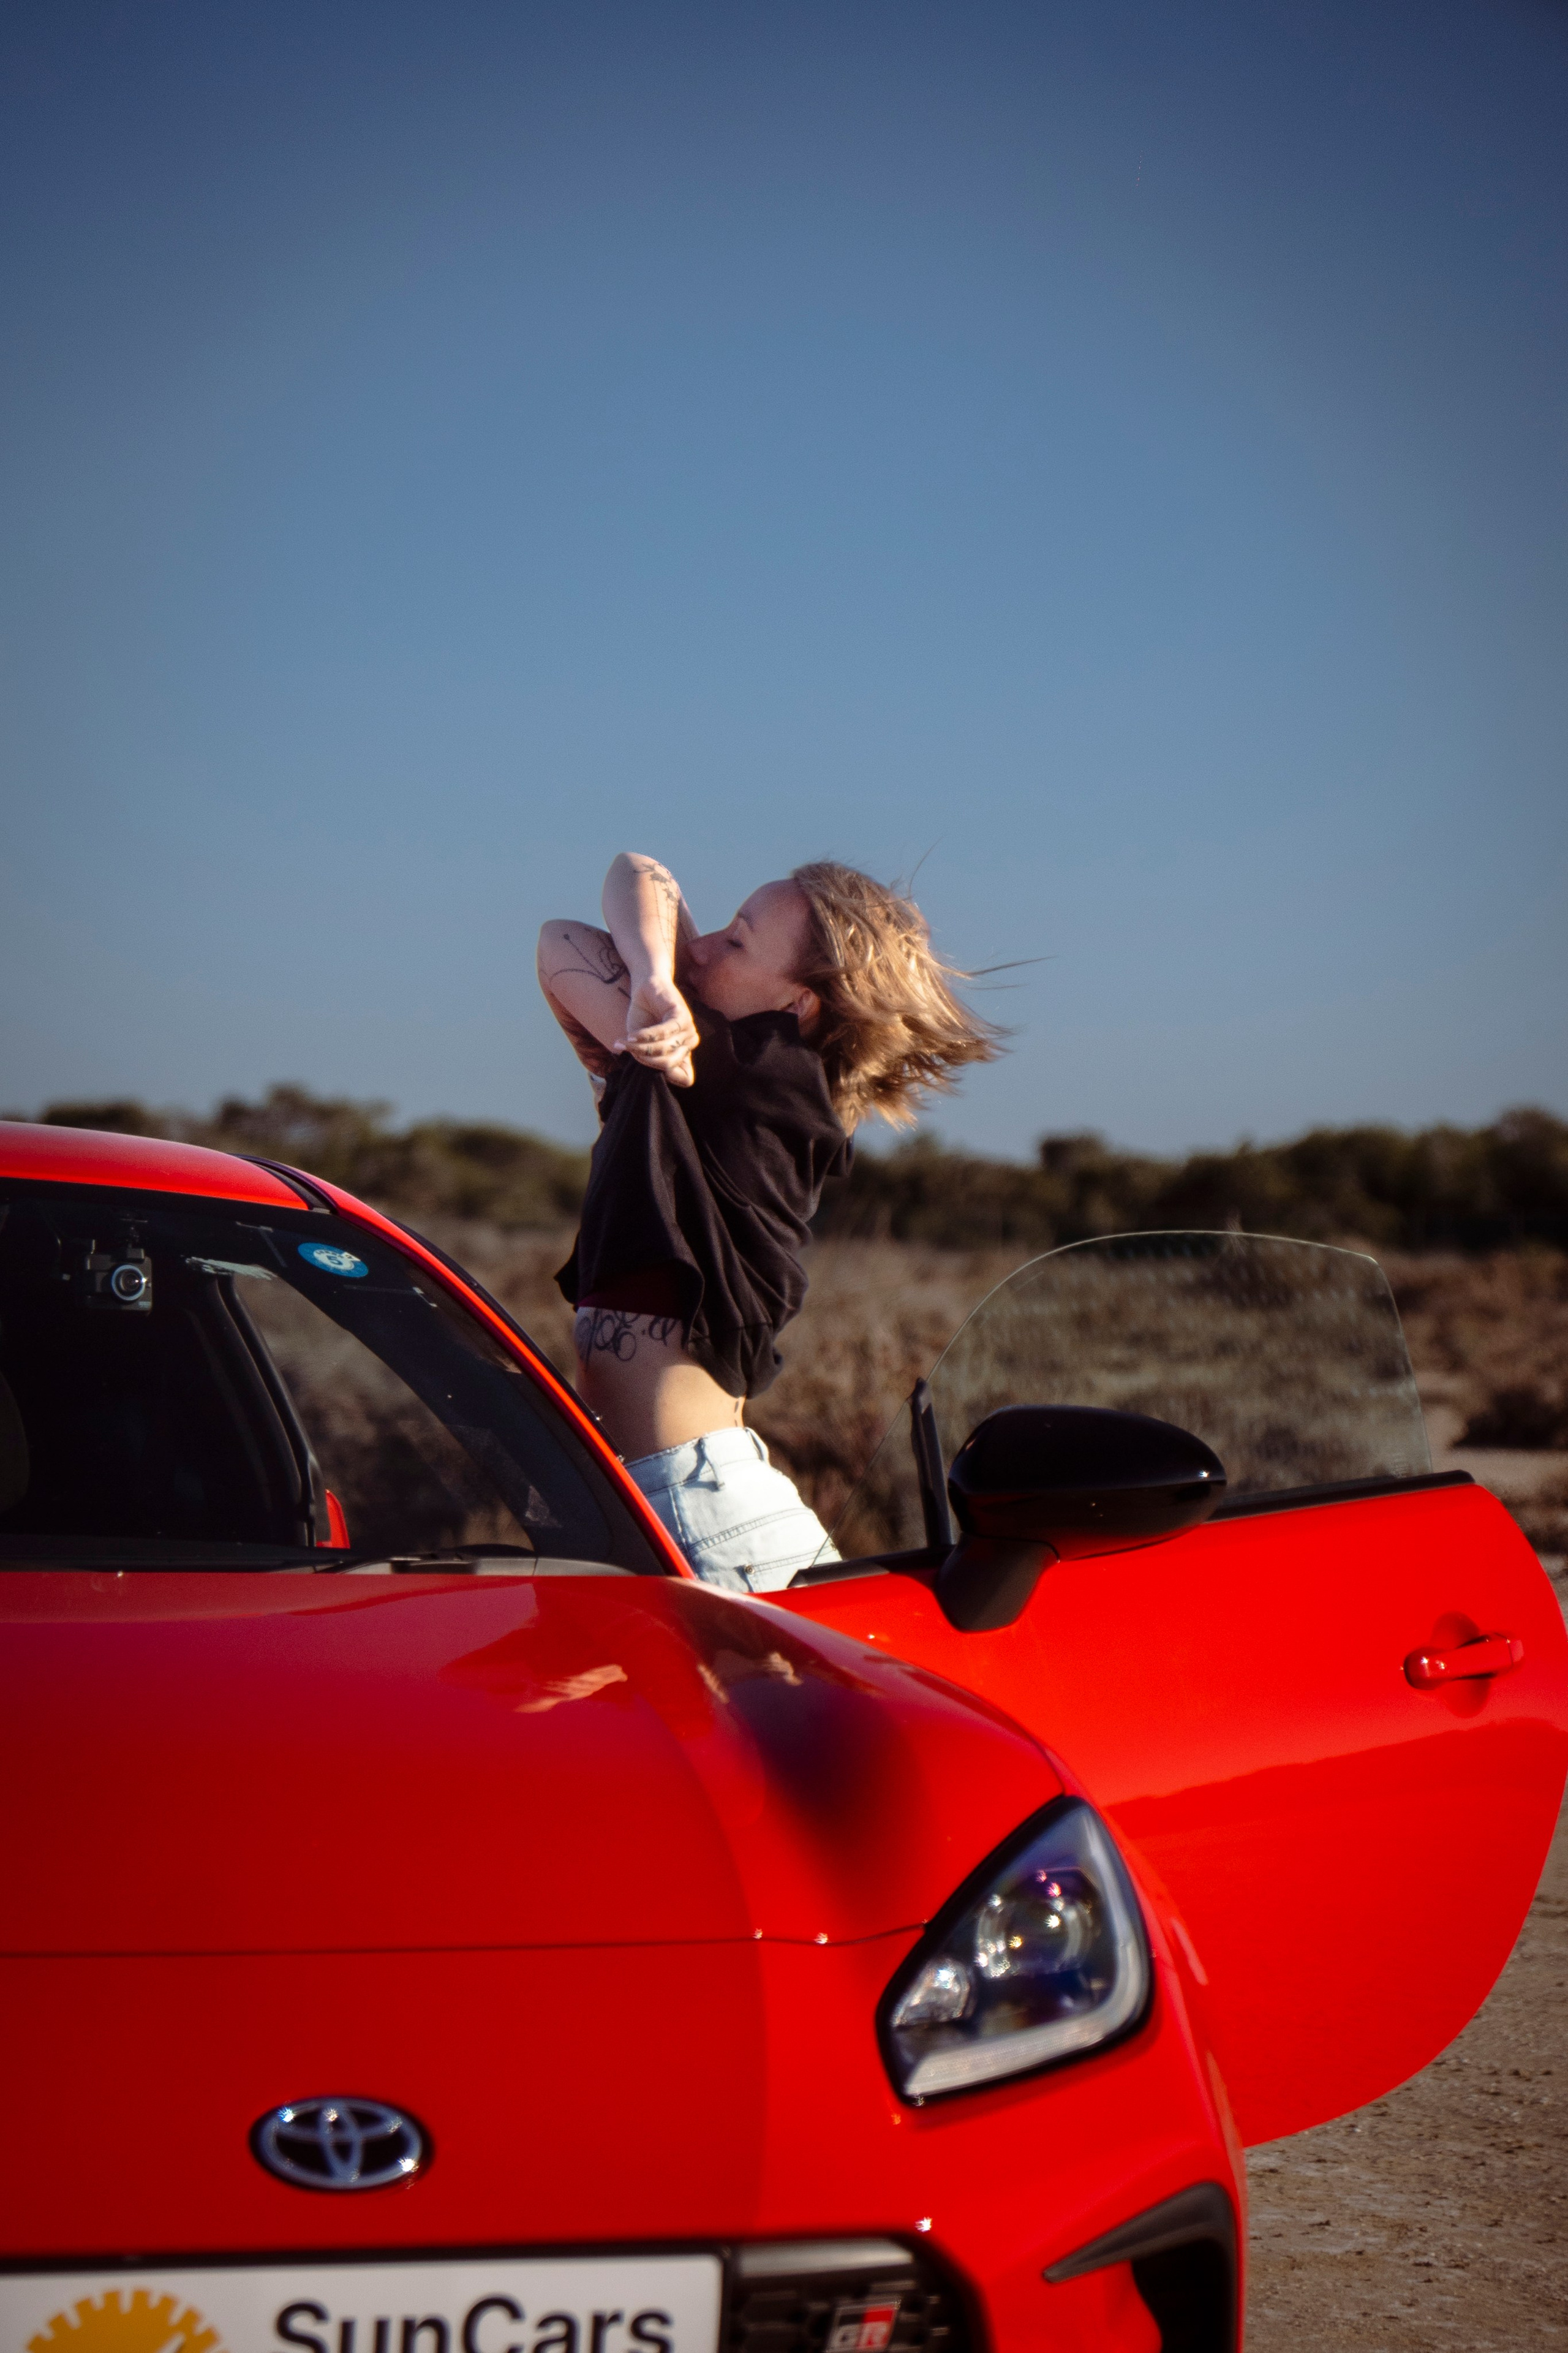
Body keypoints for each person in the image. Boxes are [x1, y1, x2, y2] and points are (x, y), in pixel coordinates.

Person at [537, 853, 997, 1591]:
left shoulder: (758, 1073)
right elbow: (618, 891)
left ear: (798, 1008)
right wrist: (654, 982)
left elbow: (572, 936)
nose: (700, 947)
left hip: (695, 1513)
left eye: (738, 942)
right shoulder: (693, 1076)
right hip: (663, 1503)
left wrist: (653, 981)